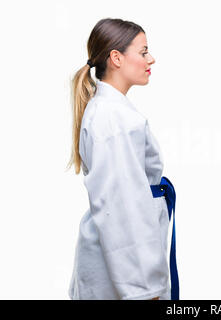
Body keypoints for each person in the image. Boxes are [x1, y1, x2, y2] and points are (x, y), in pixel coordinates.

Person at [66, 18, 179, 300]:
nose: (151, 58)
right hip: (125, 276)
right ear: (116, 58)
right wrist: (145, 290)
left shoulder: (110, 112)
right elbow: (123, 209)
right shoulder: (114, 120)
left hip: (116, 267)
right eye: (143, 52)